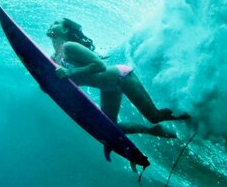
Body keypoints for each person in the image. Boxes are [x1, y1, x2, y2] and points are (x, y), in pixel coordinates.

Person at [46, 18, 188, 138]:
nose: (52, 25)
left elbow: (99, 65)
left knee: (154, 116)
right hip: (107, 87)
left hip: (121, 77)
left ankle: (192, 113)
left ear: (65, 30)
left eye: (56, 23)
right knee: (111, 127)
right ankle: (150, 130)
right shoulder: (54, 58)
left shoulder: (70, 47)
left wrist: (71, 73)